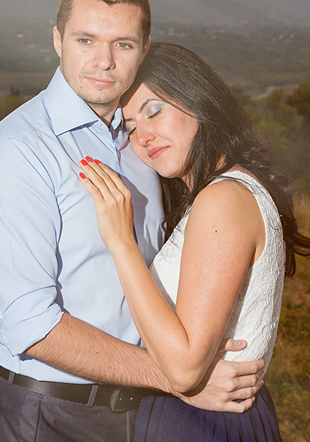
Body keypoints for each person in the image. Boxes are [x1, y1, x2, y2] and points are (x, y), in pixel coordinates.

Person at [0, 0, 265, 442]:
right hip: (50, 415)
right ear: (57, 40)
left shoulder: (144, 143)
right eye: (86, 39)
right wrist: (178, 380)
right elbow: (30, 325)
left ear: (143, 51)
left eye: (122, 44)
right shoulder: (18, 152)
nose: (103, 61)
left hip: (144, 414)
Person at [80, 41, 310, 442]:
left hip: (205, 423)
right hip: (211, 413)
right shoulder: (224, 192)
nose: (144, 137)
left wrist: (121, 242)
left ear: (198, 101)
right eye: (131, 127)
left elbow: (185, 370)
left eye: (155, 111)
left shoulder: (222, 200)